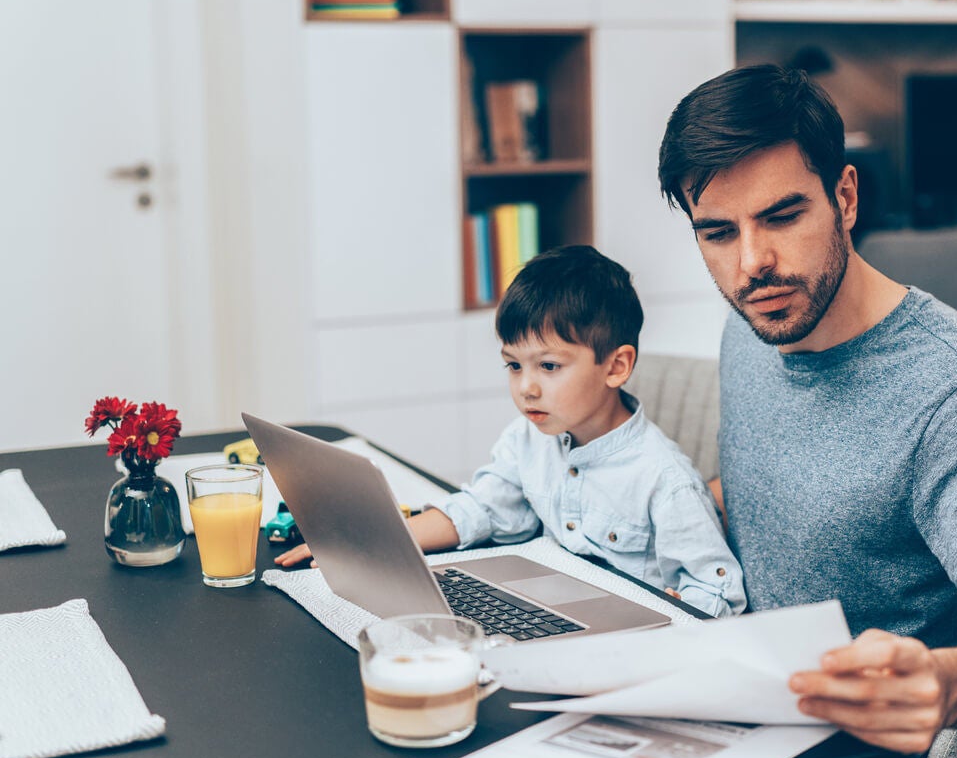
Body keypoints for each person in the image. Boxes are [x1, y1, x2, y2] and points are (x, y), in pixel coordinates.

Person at [657, 65, 957, 756]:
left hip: (843, 745)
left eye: (782, 216)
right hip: (728, 688)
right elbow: (771, 495)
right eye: (718, 233)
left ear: (845, 197)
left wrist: (944, 681)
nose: (750, 265)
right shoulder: (757, 321)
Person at [278, 245, 746, 618]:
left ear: (616, 366)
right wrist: (368, 545)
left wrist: (671, 617)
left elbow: (718, 594)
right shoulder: (530, 439)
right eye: (513, 366)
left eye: (548, 366)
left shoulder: (665, 481)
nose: (526, 388)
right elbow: (482, 509)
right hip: (548, 605)